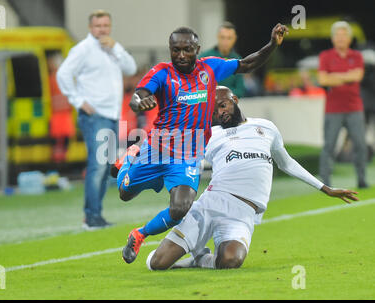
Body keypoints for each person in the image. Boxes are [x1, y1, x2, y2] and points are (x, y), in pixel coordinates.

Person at [115, 23, 289, 264]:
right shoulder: (161, 72)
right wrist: (139, 102)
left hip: (186, 156)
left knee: (180, 208)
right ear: (170, 49)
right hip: (156, 150)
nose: (181, 55)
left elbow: (247, 63)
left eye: (187, 49)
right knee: (124, 193)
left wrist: (272, 45)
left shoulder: (210, 68)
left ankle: (139, 234)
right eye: (175, 50)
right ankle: (128, 160)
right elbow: (140, 94)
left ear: (197, 49)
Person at [146, 86, 359, 271]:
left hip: (242, 214)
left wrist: (324, 188)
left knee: (230, 260)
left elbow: (286, 163)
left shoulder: (266, 127)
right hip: (211, 205)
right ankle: (181, 247)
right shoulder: (210, 135)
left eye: (223, 105)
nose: (221, 113)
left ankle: (199, 259)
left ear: (235, 100)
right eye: (215, 111)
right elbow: (182, 160)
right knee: (157, 263)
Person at [57, 10, 137, 230]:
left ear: (109, 27)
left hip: (111, 116)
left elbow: (130, 68)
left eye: (105, 25)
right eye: (98, 26)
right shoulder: (83, 49)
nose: (102, 29)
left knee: (105, 167)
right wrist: (78, 100)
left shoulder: (112, 49)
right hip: (95, 116)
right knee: (98, 166)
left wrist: (116, 48)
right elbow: (63, 74)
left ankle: (95, 215)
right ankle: (91, 217)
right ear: (90, 28)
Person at [317, 21, 368, 189]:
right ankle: (325, 182)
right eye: (337, 36)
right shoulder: (325, 56)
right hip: (333, 109)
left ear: (349, 38)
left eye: (343, 35)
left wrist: (335, 77)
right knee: (329, 146)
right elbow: (323, 79)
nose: (340, 39)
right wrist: (348, 75)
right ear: (332, 39)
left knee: (360, 145)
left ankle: (362, 179)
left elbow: (358, 76)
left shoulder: (357, 56)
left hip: (355, 108)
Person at [199, 22, 245, 98]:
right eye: (222, 37)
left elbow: (240, 90)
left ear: (235, 39)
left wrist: (217, 90)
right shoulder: (205, 58)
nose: (225, 41)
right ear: (218, 37)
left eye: (229, 38)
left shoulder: (238, 59)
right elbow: (198, 87)